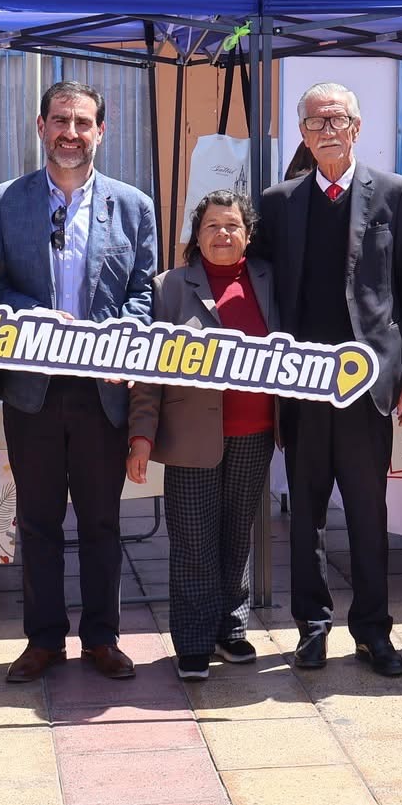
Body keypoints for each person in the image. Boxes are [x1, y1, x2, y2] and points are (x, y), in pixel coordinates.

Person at [0, 81, 160, 683]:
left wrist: (117, 340)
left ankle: (102, 638)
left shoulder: (133, 205)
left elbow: (142, 292)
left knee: (102, 520)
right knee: (37, 520)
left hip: (102, 390)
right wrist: (32, 315)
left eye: (84, 123)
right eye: (61, 121)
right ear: (40, 125)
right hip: (34, 389)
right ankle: (44, 639)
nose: (71, 134)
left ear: (100, 133)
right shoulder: (8, 200)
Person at [251, 83, 402, 677]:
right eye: (315, 121)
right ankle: (312, 626)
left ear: (357, 127)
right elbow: (263, 292)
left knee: (367, 512)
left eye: (338, 119)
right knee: (304, 514)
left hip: (369, 385)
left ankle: (373, 631)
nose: (327, 129)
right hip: (302, 385)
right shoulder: (277, 202)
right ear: (302, 133)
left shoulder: (396, 194)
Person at [127, 190, 279, 679]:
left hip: (254, 431)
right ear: (197, 234)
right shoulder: (168, 287)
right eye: (212, 225)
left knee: (238, 535)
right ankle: (193, 641)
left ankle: (230, 629)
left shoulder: (268, 281)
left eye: (233, 226)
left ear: (248, 236)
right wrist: (142, 435)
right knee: (193, 539)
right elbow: (150, 371)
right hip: (191, 437)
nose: (223, 234)